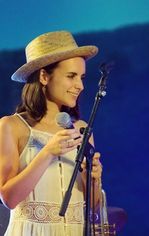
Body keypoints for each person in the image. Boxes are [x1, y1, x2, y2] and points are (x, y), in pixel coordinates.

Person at [0, 31, 103, 236]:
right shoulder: (12, 126)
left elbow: (94, 209)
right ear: (44, 76)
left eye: (82, 77)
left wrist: (94, 179)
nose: (80, 86)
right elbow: (9, 198)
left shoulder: (82, 130)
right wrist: (47, 152)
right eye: (71, 76)